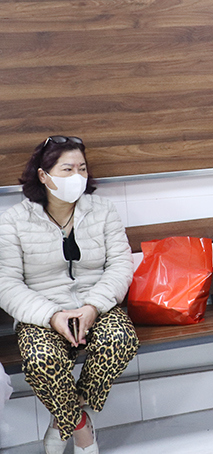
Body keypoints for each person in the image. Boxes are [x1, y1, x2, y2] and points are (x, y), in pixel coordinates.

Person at [0, 136, 138, 454]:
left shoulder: (102, 211)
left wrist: (93, 307)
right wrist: (53, 316)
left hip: (97, 305)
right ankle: (79, 427)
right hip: (42, 313)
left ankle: (64, 413)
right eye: (67, 169)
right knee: (41, 359)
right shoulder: (14, 221)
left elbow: (120, 266)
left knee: (120, 339)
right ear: (43, 175)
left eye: (82, 168)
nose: (77, 176)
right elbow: (7, 284)